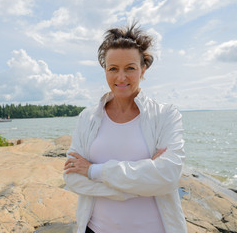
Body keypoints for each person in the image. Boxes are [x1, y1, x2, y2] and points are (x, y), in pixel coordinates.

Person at [63, 23, 187, 233]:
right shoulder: (88, 117)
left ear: (143, 69)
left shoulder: (166, 115)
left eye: (130, 68)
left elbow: (168, 177)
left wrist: (93, 170)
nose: (121, 77)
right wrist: (141, 184)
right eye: (113, 69)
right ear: (105, 71)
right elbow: (72, 177)